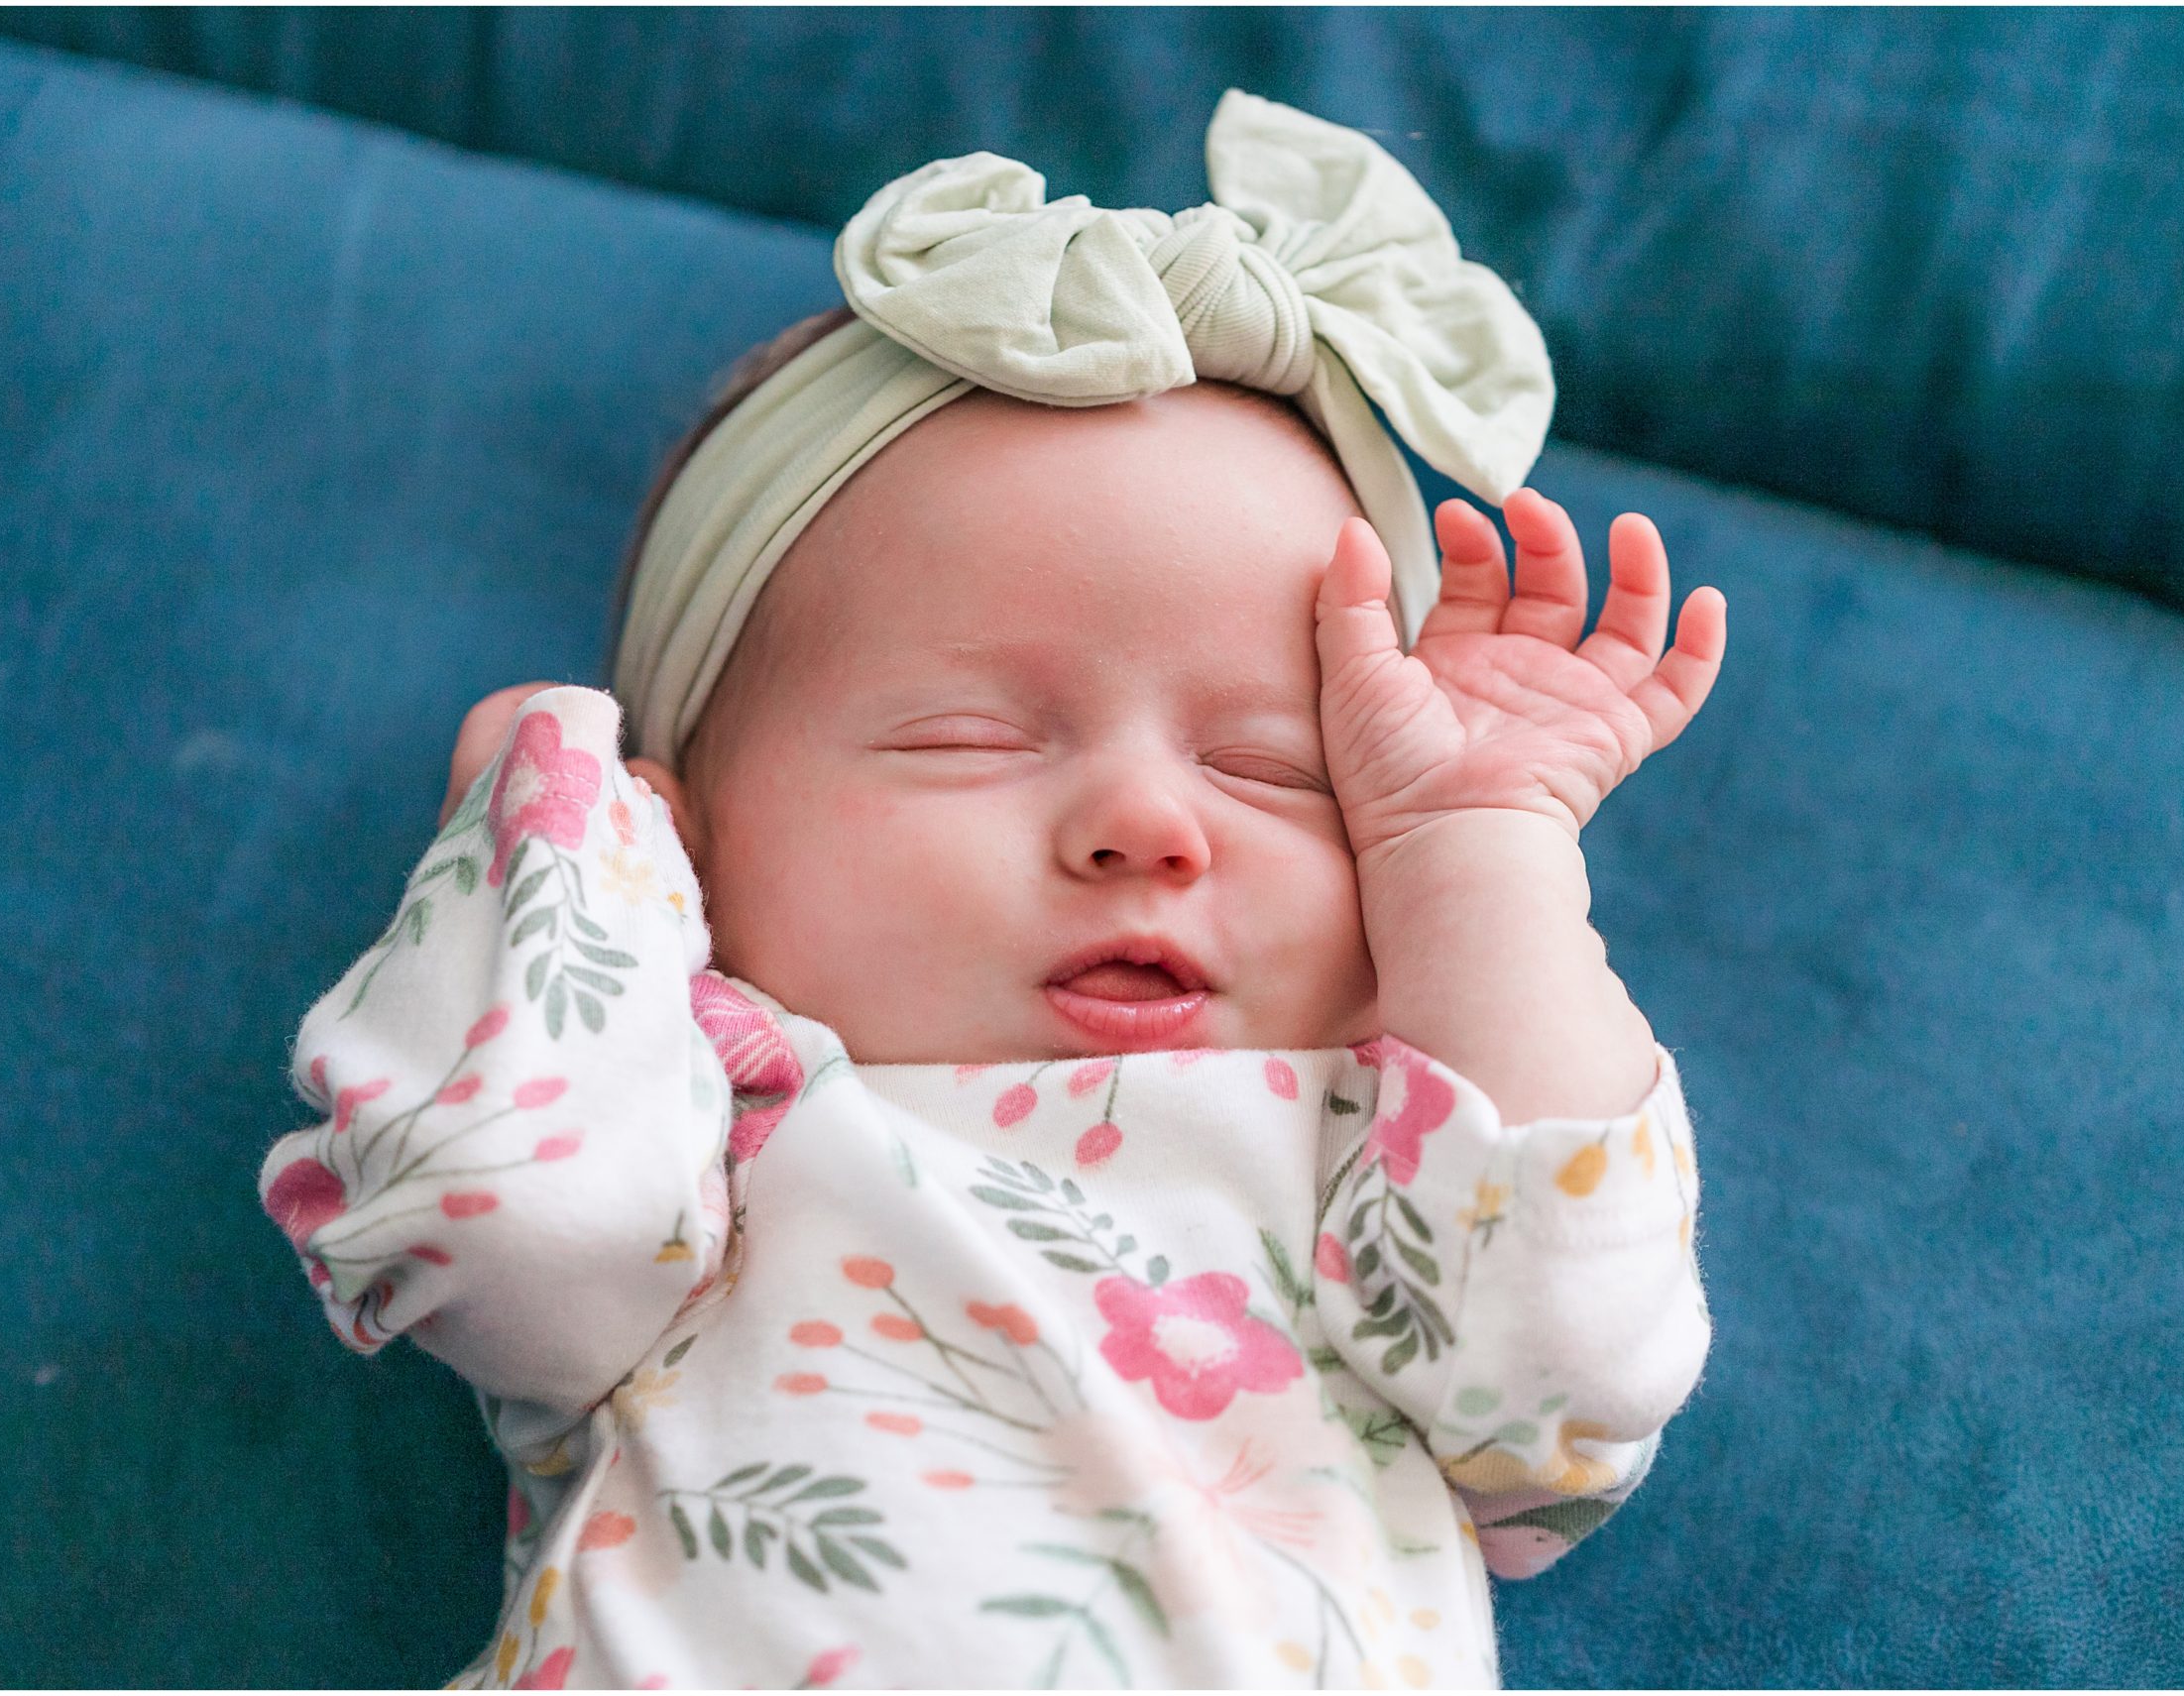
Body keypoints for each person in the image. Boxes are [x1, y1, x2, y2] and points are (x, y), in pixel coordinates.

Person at [262, 88, 1724, 1690]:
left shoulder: (1366, 1179)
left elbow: (1569, 1401)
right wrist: (549, 837)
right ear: (680, 853)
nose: (1147, 825)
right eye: (968, 738)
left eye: (1279, 769)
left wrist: (1477, 856)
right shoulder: (708, 1142)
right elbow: (510, 1218)